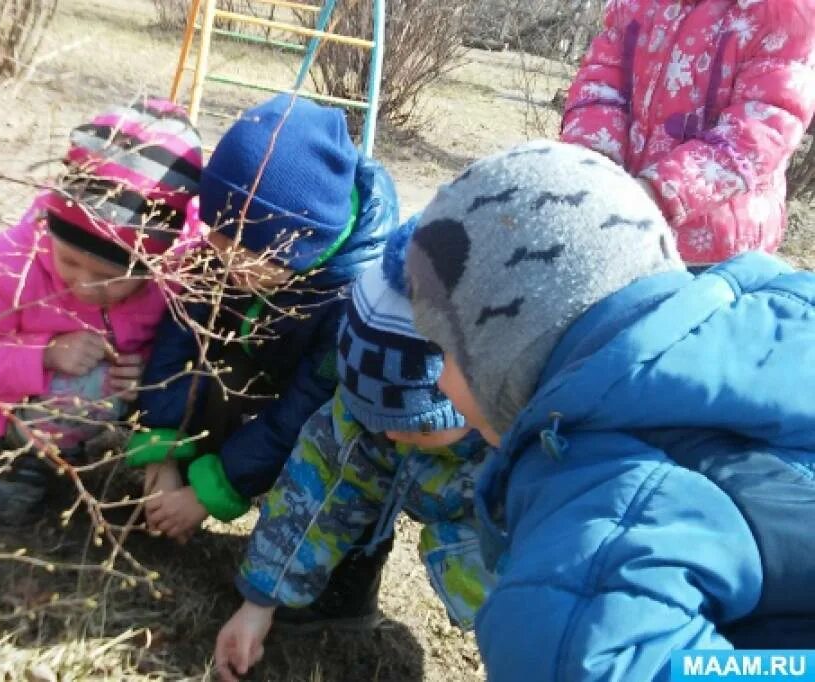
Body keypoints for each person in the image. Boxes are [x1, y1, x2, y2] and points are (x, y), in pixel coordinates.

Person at [406, 140, 815, 680]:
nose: (438, 379)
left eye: (447, 351)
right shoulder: (779, 338)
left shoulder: (593, 547)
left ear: (509, 346)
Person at [212, 218, 496, 682]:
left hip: (487, 524)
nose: (388, 436)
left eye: (413, 426)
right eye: (374, 419)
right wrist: (259, 601)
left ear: (466, 396)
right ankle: (347, 587)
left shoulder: (527, 453)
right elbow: (316, 490)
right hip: (428, 481)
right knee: (348, 471)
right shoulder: (364, 419)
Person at [124, 93, 399, 542]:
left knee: (334, 438)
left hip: (308, 406)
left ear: (303, 248)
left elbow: (305, 405)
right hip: (253, 367)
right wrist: (161, 450)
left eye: (249, 256)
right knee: (216, 369)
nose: (229, 265)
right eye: (217, 243)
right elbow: (181, 335)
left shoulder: (351, 295)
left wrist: (213, 491)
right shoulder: (231, 241)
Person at [0, 98, 202, 525]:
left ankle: (161, 462)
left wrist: (149, 369)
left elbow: (194, 347)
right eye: (70, 262)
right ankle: (27, 455)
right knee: (79, 381)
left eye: (110, 275)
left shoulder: (179, 273)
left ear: (154, 261)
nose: (85, 285)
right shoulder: (8, 262)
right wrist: (42, 355)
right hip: (39, 395)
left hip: (131, 393)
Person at [561, 0, 815, 266]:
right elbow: (602, 81)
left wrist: (659, 192)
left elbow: (760, 132)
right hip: (618, 219)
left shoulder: (781, 18)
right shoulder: (640, 6)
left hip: (714, 246)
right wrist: (593, 162)